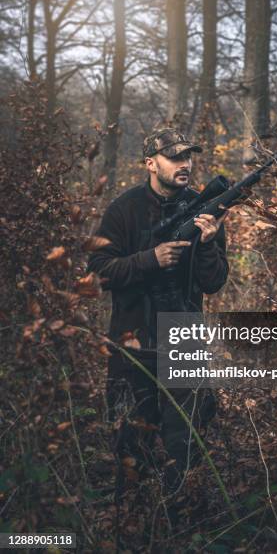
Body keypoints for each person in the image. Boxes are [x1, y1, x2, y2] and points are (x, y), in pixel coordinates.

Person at [87, 128, 229, 503]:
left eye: (188, 157)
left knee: (189, 433)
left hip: (185, 335)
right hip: (133, 338)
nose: (185, 164)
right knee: (131, 436)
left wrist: (209, 244)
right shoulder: (124, 209)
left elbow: (213, 283)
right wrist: (149, 259)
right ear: (151, 163)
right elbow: (98, 270)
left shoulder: (207, 208)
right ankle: (131, 515)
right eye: (175, 157)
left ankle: (183, 513)